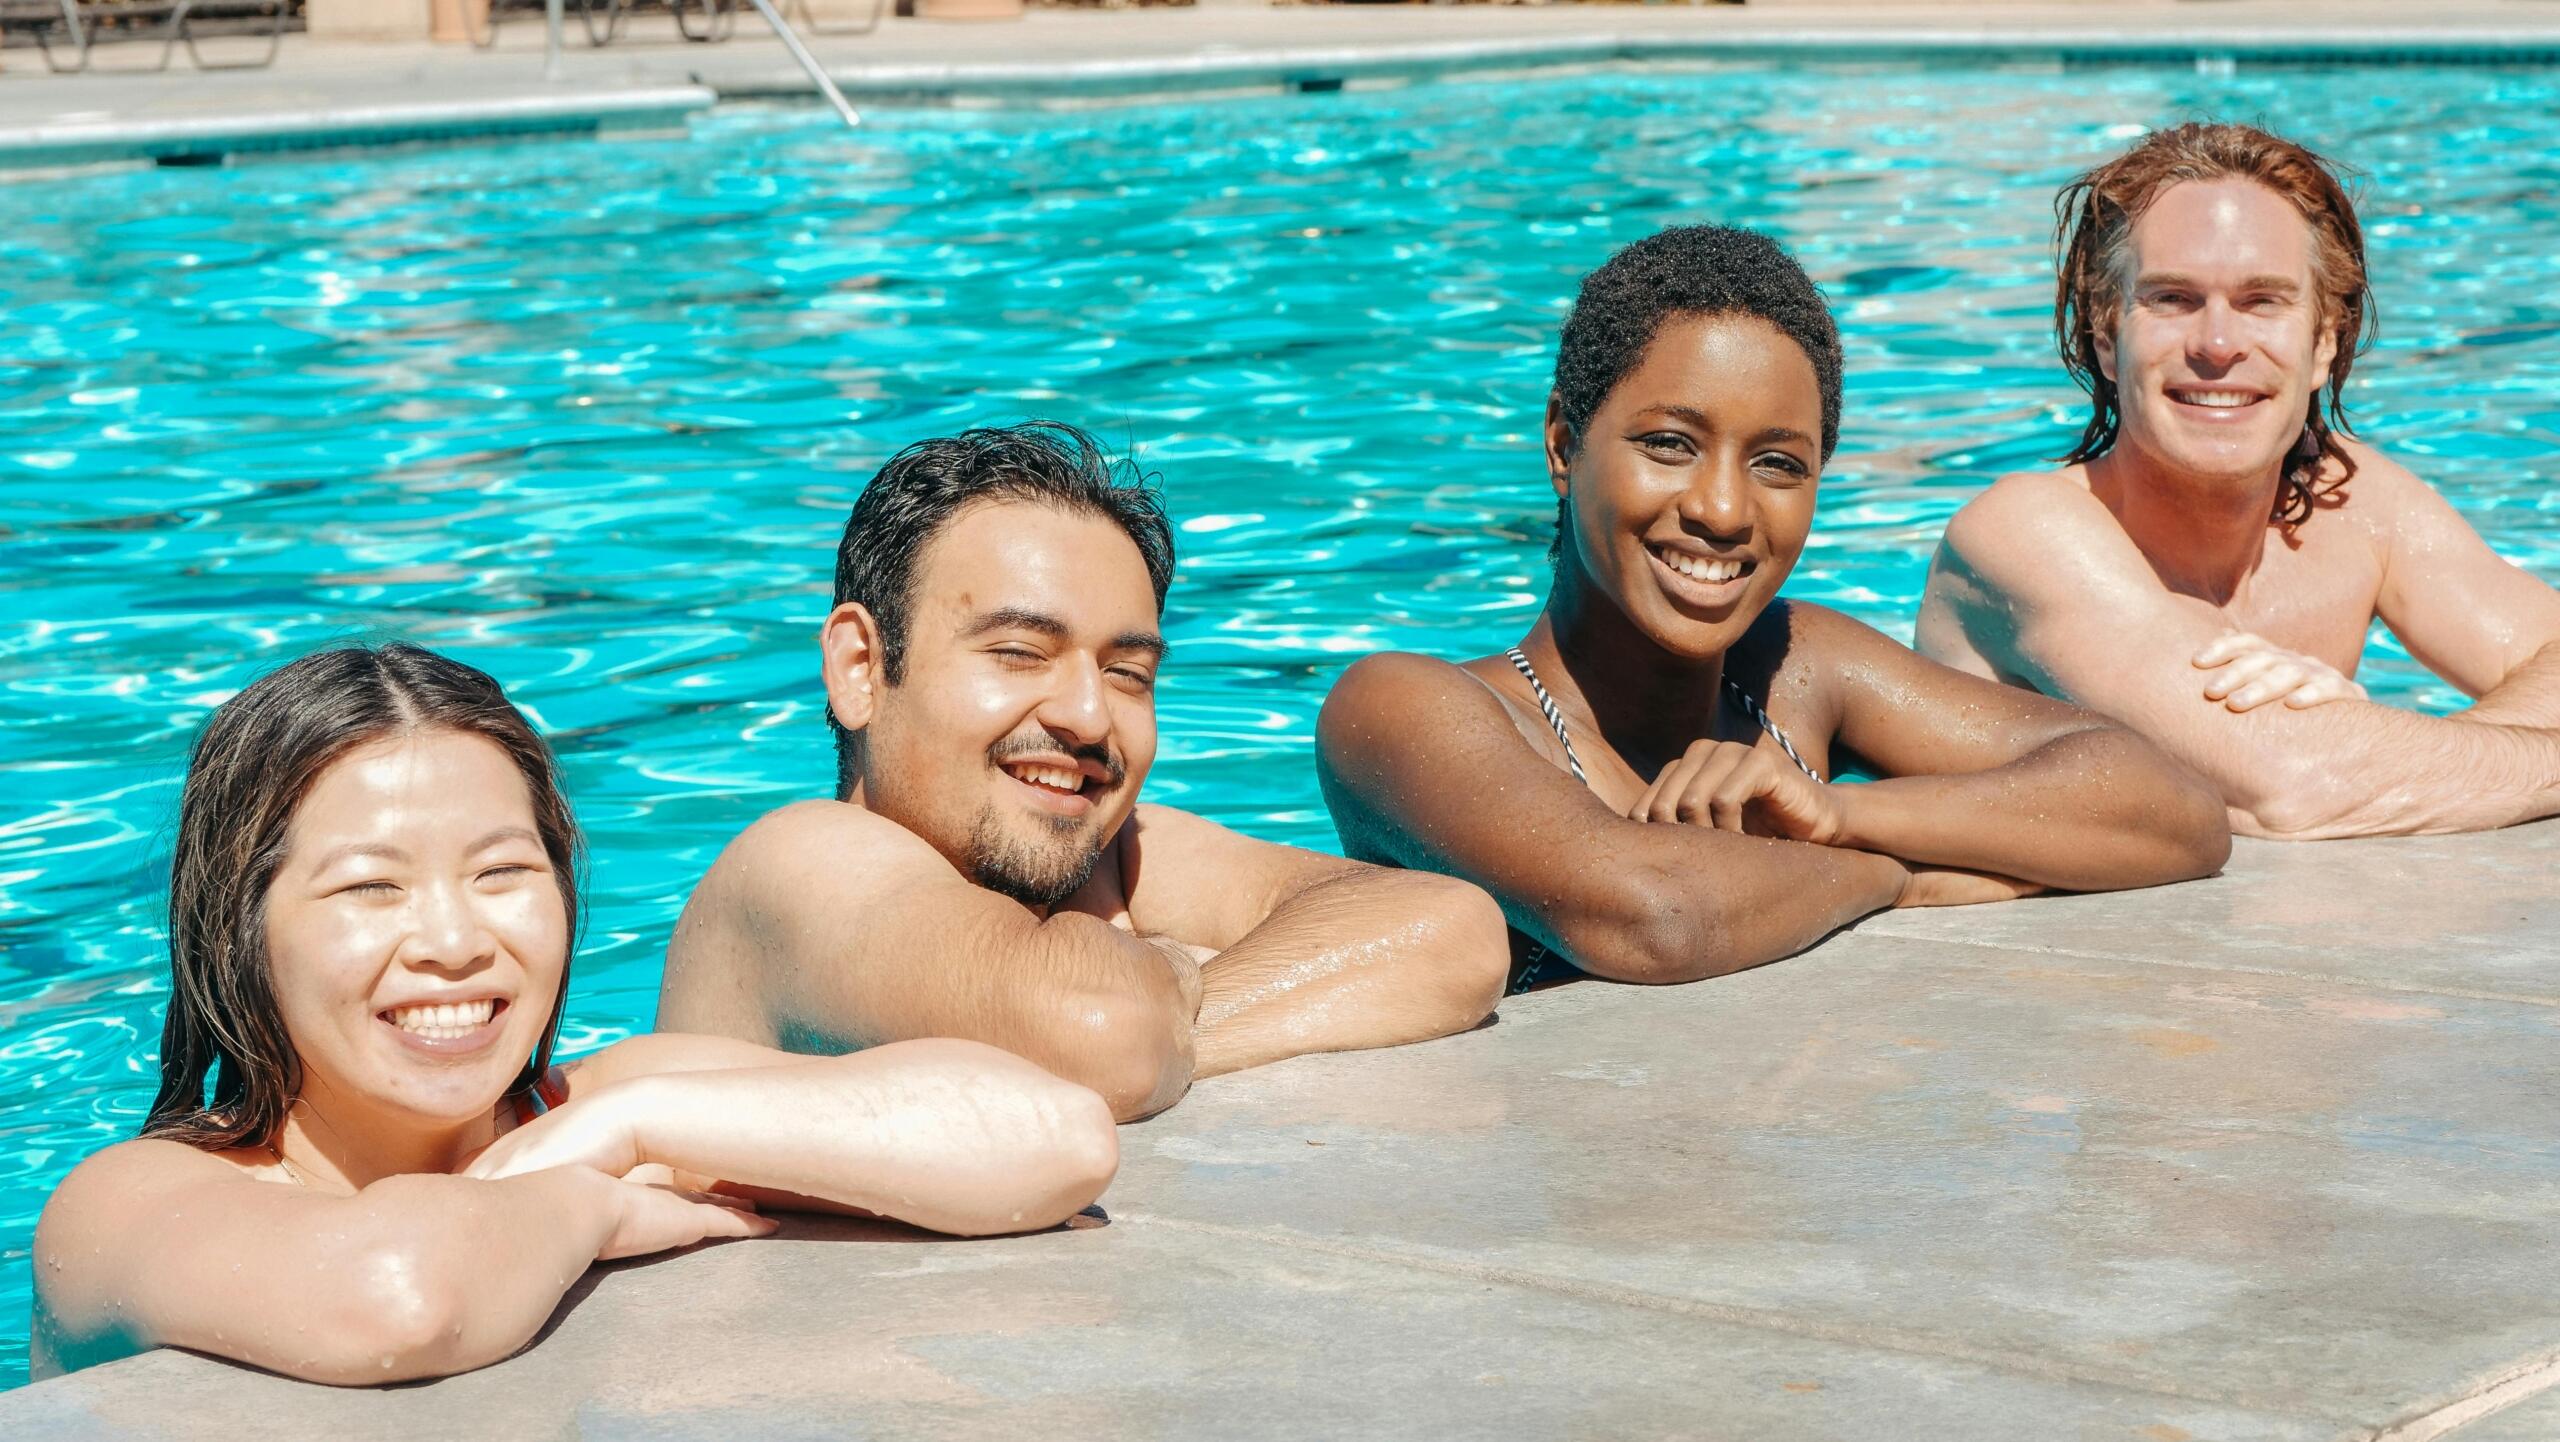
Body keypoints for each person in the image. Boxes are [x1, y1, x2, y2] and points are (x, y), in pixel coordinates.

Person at [32, 644, 1118, 1385]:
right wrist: (593, 1204)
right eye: (371, 886)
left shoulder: (609, 1105)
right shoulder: (132, 1200)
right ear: (238, 930)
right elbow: (396, 1296)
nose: (454, 940)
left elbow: (1053, 1135)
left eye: (502, 870)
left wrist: (635, 1126)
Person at [1317, 226, 2229, 991]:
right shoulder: (1406, 708)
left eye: (1778, 464)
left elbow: (2175, 808)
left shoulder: (1797, 668)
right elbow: (1655, 916)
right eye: (1670, 444)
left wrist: (1839, 815)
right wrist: (1894, 876)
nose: (1721, 510)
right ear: (1563, 445)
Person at [658, 422, 1509, 1122]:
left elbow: (1451, 930)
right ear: (860, 668)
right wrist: (1159, 968)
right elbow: (1102, 1033)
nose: (1091, 717)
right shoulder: (798, 865)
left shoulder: (1095, 855)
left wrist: (1171, 1005)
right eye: (1021, 652)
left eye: (1128, 673)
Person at [1917, 122, 2560, 839]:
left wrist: (2374, 739)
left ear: (2322, 345)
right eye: (2171, 299)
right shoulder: (2024, 533)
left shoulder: (2355, 504)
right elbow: (2298, 785)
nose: (2218, 346)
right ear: (2105, 340)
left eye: (2262, 301)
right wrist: (2357, 740)